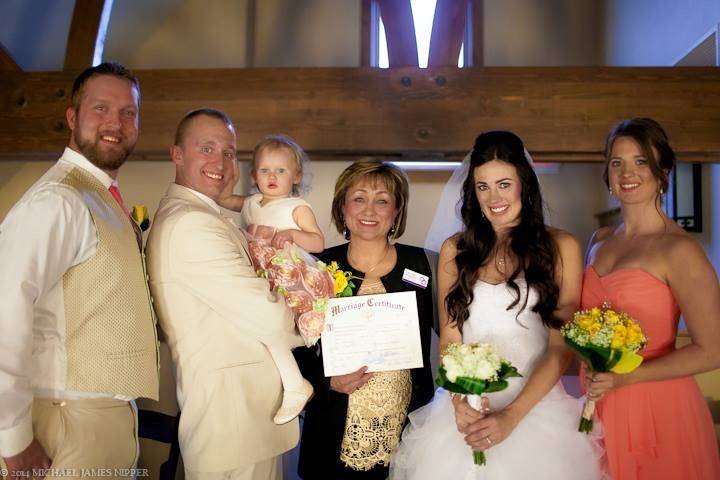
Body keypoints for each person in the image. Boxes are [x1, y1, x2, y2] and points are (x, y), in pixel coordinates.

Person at [390, 131, 603, 479]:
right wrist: (461, 403)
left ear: (524, 184)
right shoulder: (454, 250)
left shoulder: (561, 247)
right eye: (482, 186)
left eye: (504, 184)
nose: (494, 197)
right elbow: (449, 339)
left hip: (536, 410)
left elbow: (559, 347)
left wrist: (512, 416)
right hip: (465, 410)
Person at [0, 62, 159, 479]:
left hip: (105, 423)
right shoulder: (59, 200)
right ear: (73, 117)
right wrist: (13, 439)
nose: (116, 123)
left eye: (128, 112)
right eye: (101, 109)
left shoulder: (100, 198)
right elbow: (4, 313)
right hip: (65, 425)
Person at [145, 108, 303, 480]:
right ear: (177, 155)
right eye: (207, 148)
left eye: (230, 152)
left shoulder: (203, 215)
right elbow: (272, 319)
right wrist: (314, 312)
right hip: (234, 423)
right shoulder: (190, 224)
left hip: (245, 422)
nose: (221, 161)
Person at [583, 118, 720, 480]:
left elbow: (713, 349)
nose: (628, 172)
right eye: (617, 162)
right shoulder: (599, 240)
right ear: (607, 174)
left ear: (663, 170)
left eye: (641, 161)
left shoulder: (680, 249)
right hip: (598, 404)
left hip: (657, 406)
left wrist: (626, 379)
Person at [293, 161, 436, 479]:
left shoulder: (424, 264)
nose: (369, 210)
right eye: (359, 198)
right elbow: (293, 347)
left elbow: (455, 332)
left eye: (382, 200)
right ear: (342, 207)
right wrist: (327, 381)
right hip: (332, 426)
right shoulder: (316, 266)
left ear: (396, 211)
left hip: (409, 431)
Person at [218, 134, 323, 424]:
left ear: (296, 175)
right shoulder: (251, 202)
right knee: (254, 327)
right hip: (258, 272)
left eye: (281, 170)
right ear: (254, 175)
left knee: (268, 325)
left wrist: (293, 235)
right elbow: (222, 197)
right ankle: (286, 385)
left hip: (286, 273)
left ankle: (294, 385)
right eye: (264, 170)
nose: (272, 176)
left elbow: (318, 242)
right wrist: (226, 172)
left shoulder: (295, 206)